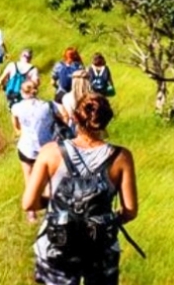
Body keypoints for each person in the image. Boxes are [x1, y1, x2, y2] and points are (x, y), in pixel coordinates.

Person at [22, 94, 139, 285]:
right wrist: (103, 220)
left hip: (56, 248)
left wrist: (51, 201)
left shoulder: (50, 152)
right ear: (107, 120)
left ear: (75, 118)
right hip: (101, 249)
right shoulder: (122, 157)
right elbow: (130, 211)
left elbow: (28, 203)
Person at [12, 80, 57, 189]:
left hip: (26, 148)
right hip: (46, 147)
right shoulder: (48, 106)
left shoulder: (16, 107)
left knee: (29, 180)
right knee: (48, 181)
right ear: (36, 90)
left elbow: (16, 127)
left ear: (22, 92)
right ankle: (49, 203)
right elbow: (63, 117)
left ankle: (32, 203)